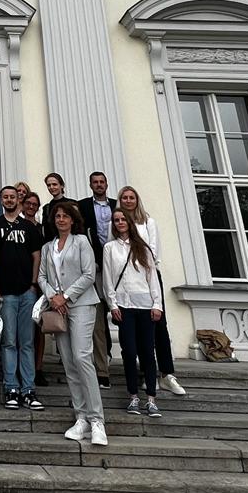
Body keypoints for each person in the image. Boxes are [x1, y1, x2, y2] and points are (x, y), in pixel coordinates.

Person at [38, 201, 107, 445]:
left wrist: (65, 296)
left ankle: (97, 419)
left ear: (72, 220)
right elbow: (42, 277)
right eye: (58, 216)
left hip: (81, 304)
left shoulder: (81, 242)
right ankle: (81, 417)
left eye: (65, 216)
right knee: (68, 362)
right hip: (58, 309)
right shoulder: (48, 247)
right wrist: (53, 297)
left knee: (82, 357)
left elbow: (89, 274)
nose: (61, 219)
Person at [117, 186, 185, 396]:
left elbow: (153, 251)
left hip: (149, 276)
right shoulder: (117, 222)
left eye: (132, 197)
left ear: (137, 200)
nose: (128, 201)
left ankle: (167, 373)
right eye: (124, 198)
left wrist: (142, 266)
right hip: (128, 282)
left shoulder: (147, 222)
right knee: (136, 329)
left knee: (159, 324)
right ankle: (147, 374)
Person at [0, 186, 44, 411]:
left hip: (27, 292)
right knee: (9, 342)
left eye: (12, 196)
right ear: (1, 200)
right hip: (5, 293)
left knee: (27, 342)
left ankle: (28, 389)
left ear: (17, 200)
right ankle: (11, 387)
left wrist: (33, 284)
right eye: (5, 197)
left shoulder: (29, 227)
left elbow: (36, 256)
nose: (9, 200)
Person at [103, 208, 163, 419]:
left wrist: (157, 304)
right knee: (129, 351)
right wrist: (112, 304)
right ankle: (133, 396)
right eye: (116, 220)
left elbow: (152, 277)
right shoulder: (110, 248)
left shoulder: (142, 248)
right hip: (124, 305)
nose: (120, 222)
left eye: (123, 219)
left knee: (147, 352)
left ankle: (151, 398)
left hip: (145, 304)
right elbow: (108, 278)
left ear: (129, 222)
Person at [78, 171, 116, 388]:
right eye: (95, 182)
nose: (99, 185)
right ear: (91, 185)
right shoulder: (83, 206)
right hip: (95, 268)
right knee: (98, 320)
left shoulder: (117, 205)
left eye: (102, 182)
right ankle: (103, 367)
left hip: (117, 268)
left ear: (106, 184)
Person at [20, 190, 47, 387]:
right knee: (21, 327)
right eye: (28, 203)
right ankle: (21, 367)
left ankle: (37, 368)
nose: (30, 206)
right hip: (19, 280)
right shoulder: (17, 226)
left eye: (34, 204)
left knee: (38, 327)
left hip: (39, 282)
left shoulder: (42, 229)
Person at [42, 172, 68, 241]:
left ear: (62, 185)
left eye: (54, 184)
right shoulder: (46, 208)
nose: (51, 187)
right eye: (49, 185)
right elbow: (46, 231)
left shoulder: (72, 204)